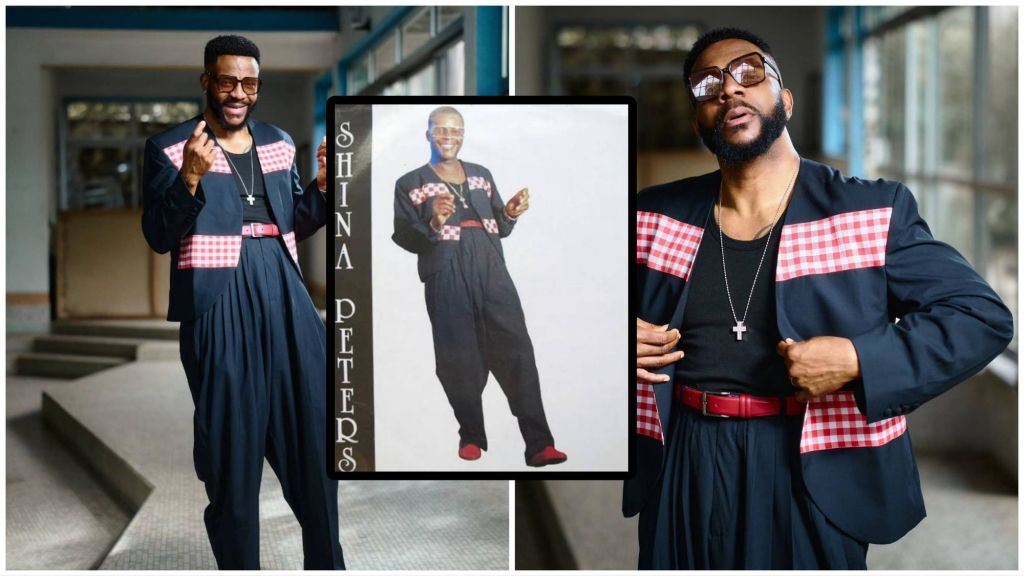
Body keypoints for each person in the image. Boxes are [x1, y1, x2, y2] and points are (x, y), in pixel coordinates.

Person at [627, 27, 1013, 570]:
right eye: (708, 85)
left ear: (784, 99)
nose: (729, 90)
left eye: (748, 72)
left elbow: (980, 318)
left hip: (808, 458)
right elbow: (565, 303)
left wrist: (859, 359)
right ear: (699, 121)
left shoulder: (872, 210)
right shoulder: (653, 215)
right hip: (682, 454)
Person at [141, 35, 344, 569]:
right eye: (227, 81)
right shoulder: (169, 146)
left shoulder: (278, 142)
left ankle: (328, 563)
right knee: (231, 454)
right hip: (217, 298)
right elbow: (159, 235)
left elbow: (293, 224)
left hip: (285, 291)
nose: (238, 93)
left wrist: (321, 189)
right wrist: (189, 176)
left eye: (248, 83)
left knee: (316, 440)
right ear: (206, 81)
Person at [391, 106, 567, 467]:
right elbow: (404, 235)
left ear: (464, 135)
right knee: (458, 355)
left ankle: (539, 443)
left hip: (490, 264)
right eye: (441, 130)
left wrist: (512, 212)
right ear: (427, 134)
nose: (449, 137)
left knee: (516, 347)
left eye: (456, 131)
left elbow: (499, 225)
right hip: (445, 267)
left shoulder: (482, 175)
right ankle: (470, 433)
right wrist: (435, 220)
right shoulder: (411, 182)